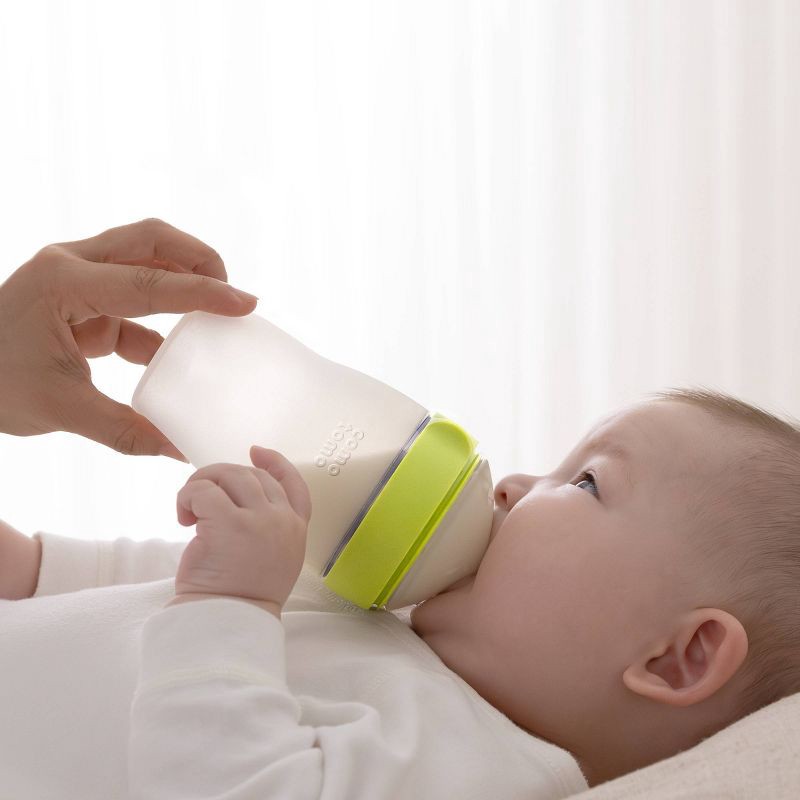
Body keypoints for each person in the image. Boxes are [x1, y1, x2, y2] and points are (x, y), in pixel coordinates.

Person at [1, 221, 796, 798]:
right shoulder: (380, 616)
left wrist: (228, 604)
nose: (513, 485)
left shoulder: (486, 771)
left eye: (585, 482)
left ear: (676, 658)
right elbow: (99, 583)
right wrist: (37, 563)